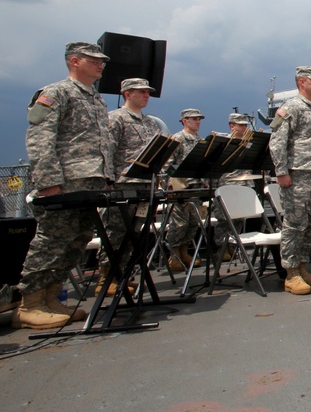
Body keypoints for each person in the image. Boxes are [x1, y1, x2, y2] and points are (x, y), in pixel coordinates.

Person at [15, 42, 115, 330]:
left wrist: (106, 177)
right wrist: (48, 182)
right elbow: (40, 139)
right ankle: (30, 304)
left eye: (102, 61)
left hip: (91, 181)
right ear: (74, 61)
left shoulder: (96, 99)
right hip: (65, 182)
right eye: (94, 60)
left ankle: (51, 298)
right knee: (51, 241)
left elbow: (100, 143)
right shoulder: (55, 93)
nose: (101, 65)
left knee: (76, 239)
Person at [268, 67, 311, 294]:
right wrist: (281, 171)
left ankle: (303, 267)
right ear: (302, 82)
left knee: (309, 224)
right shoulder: (291, 107)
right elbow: (277, 141)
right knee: (294, 224)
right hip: (297, 174)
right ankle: (291, 272)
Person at [104, 79, 161, 291]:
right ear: (127, 94)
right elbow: (107, 151)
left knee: (136, 232)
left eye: (148, 92)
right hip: (123, 182)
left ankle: (122, 274)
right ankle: (106, 277)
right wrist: (108, 181)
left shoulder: (149, 123)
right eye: (142, 92)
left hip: (145, 184)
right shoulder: (116, 118)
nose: (146, 95)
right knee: (117, 231)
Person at [166, 108, 208, 272]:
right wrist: (173, 182)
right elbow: (168, 164)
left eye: (199, 119)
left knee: (192, 223)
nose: (197, 122)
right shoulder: (178, 139)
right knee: (179, 223)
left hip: (196, 187)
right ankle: (174, 255)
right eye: (194, 119)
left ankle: (184, 252)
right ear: (185, 121)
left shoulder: (201, 140)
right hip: (180, 188)